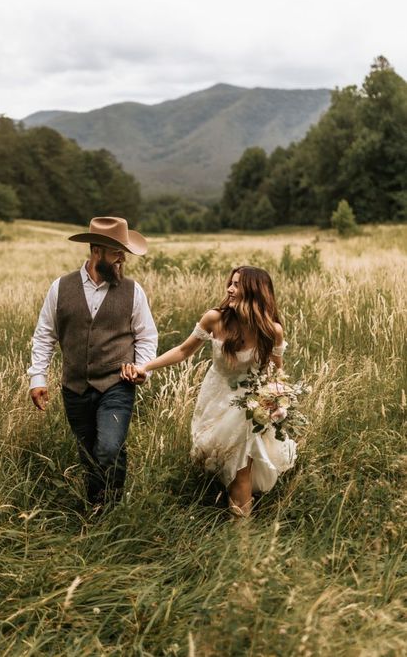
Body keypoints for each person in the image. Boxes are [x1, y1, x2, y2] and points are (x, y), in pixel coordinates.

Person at [121, 266, 296, 518]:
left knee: (242, 465)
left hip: (251, 405)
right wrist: (145, 367)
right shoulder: (215, 319)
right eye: (230, 283)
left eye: (237, 285)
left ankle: (242, 533)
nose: (230, 289)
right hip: (217, 398)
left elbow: (278, 373)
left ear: (254, 291)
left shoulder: (272, 330)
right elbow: (183, 351)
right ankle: (234, 513)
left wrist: (276, 399)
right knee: (222, 461)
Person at [28, 216, 158, 506]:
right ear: (96, 251)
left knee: (109, 449)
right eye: (116, 253)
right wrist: (38, 379)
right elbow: (44, 335)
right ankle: (97, 506)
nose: (122, 259)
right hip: (74, 387)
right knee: (88, 453)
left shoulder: (133, 291)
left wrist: (142, 368)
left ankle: (111, 507)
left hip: (117, 385)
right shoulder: (60, 288)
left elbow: (147, 337)